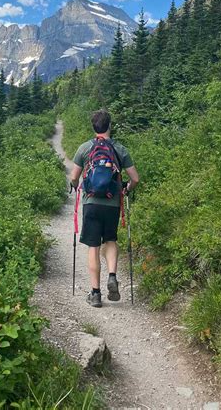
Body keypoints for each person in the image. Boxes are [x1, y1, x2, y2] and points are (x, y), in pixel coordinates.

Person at [70, 109, 139, 307]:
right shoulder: (119, 149)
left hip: (91, 203)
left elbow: (74, 177)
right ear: (110, 126)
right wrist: (126, 189)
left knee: (93, 246)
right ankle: (112, 276)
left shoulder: (84, 148)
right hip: (112, 204)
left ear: (94, 127)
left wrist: (76, 187)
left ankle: (95, 293)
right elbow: (135, 178)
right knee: (110, 240)